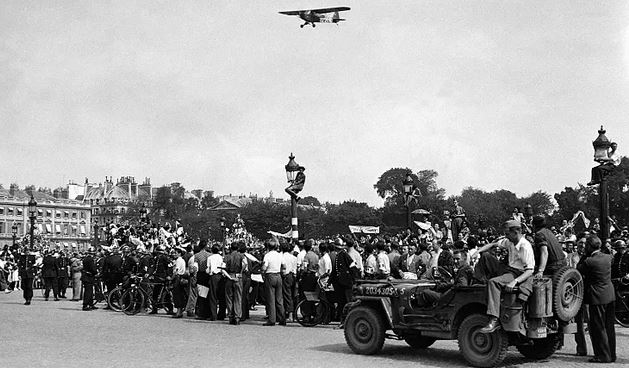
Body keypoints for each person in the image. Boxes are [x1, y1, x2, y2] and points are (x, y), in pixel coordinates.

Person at [475, 220, 535, 333]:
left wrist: (515, 282)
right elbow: (493, 244)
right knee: (486, 256)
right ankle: (479, 282)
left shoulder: (524, 246)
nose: (506, 236)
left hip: (518, 273)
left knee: (493, 282)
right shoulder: (510, 242)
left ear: (516, 232)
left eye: (507, 234)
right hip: (508, 269)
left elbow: (529, 271)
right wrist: (478, 251)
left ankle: (494, 319)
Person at [578, 235, 616, 363]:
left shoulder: (589, 261)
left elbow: (578, 269)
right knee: (609, 326)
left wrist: (584, 255)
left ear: (588, 246)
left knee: (598, 327)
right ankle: (611, 354)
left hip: (597, 297)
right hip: (610, 294)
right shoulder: (608, 257)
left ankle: (603, 356)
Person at [262, 239, 285, 326]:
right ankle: (282, 318)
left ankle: (272, 319)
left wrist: (262, 271)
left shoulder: (267, 256)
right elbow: (284, 266)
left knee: (271, 299)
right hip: (278, 276)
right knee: (279, 299)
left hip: (270, 275)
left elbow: (264, 268)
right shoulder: (280, 255)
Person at [224, 241, 247, 325]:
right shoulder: (241, 256)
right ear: (238, 248)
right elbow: (245, 265)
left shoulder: (226, 257)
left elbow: (222, 268)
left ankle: (230, 316)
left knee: (229, 298)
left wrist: (229, 276)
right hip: (238, 277)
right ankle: (237, 317)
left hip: (230, 276)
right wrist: (241, 271)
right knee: (238, 297)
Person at [192, 240, 211, 320]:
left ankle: (201, 313)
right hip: (207, 275)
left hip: (200, 275)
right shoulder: (210, 255)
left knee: (201, 294)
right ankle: (208, 312)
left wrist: (194, 276)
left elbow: (195, 267)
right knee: (207, 294)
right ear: (206, 246)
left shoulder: (196, 256)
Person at [281, 242, 297, 322]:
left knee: (287, 296)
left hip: (285, 276)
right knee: (292, 295)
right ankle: (292, 314)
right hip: (292, 276)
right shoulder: (293, 257)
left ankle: (289, 315)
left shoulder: (282, 257)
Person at [206, 244, 224, 321]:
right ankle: (221, 314)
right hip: (221, 276)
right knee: (221, 296)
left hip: (213, 276)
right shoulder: (221, 258)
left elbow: (208, 269)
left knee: (213, 296)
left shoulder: (210, 258)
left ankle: (213, 315)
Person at [171, 248, 188, 319]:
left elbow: (176, 270)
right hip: (181, 277)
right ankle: (180, 311)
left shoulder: (178, 260)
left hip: (177, 278)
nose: (174, 254)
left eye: (176, 253)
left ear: (179, 253)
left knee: (176, 295)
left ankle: (178, 312)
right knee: (180, 295)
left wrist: (172, 278)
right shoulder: (182, 260)